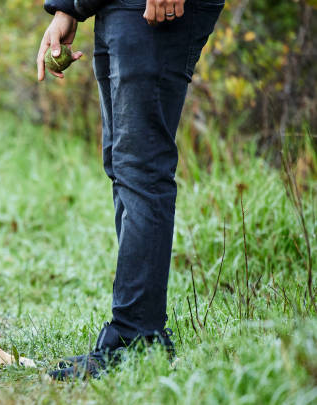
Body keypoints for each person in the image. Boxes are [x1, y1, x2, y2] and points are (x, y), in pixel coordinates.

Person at [36, 0, 224, 380]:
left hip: (155, 8)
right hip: (114, 6)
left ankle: (136, 336)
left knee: (141, 169)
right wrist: (67, 9)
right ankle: (141, 333)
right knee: (124, 167)